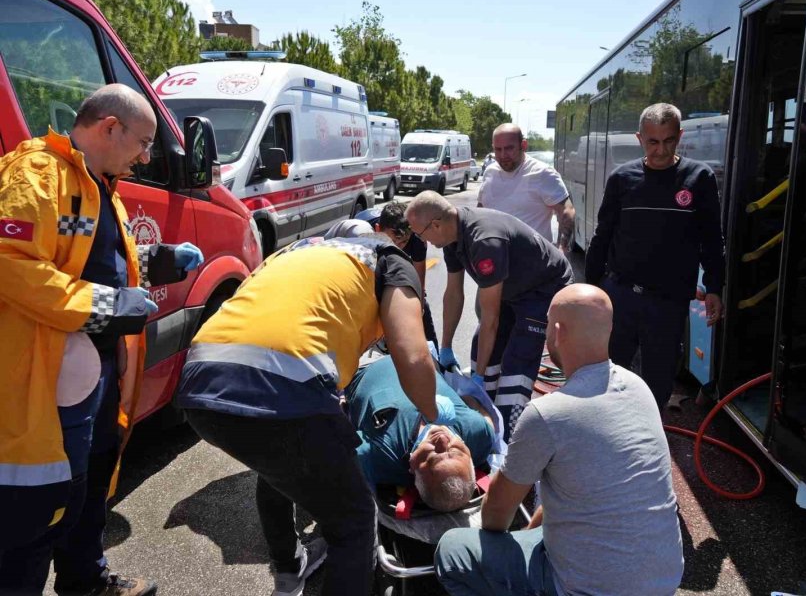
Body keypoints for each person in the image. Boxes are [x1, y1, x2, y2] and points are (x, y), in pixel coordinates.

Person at [0, 84, 203, 596]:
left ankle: (85, 580)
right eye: (144, 141)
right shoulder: (36, 175)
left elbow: (92, 256)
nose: (146, 155)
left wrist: (158, 260)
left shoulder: (98, 185)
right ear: (110, 127)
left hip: (95, 372)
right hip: (45, 379)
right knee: (38, 505)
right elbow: (12, 264)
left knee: (91, 482)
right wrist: (108, 305)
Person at [175, 229, 447, 596]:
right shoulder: (389, 261)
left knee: (279, 466)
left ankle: (289, 571)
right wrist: (434, 418)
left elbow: (293, 321)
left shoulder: (299, 252)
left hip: (202, 381)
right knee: (353, 519)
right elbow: (412, 354)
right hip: (285, 386)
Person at [434, 284, 684, 596]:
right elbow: (573, 492)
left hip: (588, 588)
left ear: (557, 332)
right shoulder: (639, 389)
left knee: (454, 549)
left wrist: (511, 545)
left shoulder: (547, 414)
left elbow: (496, 515)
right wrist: (530, 536)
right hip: (663, 579)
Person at [585, 102, 725, 411]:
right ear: (639, 138)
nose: (660, 150)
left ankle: (649, 436)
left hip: (668, 302)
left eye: (669, 140)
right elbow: (603, 235)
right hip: (621, 296)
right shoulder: (622, 179)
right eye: (652, 142)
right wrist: (591, 286)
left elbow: (712, 239)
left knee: (658, 381)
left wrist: (715, 286)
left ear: (680, 136)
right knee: (610, 374)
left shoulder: (699, 178)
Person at [406, 192, 573, 438]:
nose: (426, 243)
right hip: (513, 287)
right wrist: (446, 347)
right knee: (481, 350)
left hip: (543, 290)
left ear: (436, 225)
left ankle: (510, 438)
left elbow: (490, 318)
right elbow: (453, 294)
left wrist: (479, 377)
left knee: (516, 365)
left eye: (421, 234)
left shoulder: (484, 241)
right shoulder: (451, 236)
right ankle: (486, 417)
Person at [346, 355, 498, 511]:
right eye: (456, 451)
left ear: (413, 469)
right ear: (470, 455)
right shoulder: (479, 434)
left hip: (360, 364)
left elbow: (339, 449)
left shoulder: (381, 456)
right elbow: (482, 414)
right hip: (420, 356)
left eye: (432, 457)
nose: (442, 441)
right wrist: (465, 401)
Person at [478, 123, 575, 250]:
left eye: (508, 148)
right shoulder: (489, 172)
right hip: (495, 260)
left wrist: (561, 248)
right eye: (498, 149)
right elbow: (480, 211)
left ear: (523, 145)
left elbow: (567, 210)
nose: (503, 155)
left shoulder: (543, 174)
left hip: (533, 262)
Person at [356, 202, 439, 348]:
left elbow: (418, 282)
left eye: (403, 242)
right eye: (393, 241)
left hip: (390, 266)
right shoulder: (362, 234)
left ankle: (434, 354)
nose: (397, 247)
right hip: (358, 260)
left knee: (421, 305)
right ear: (378, 230)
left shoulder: (417, 240)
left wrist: (418, 307)